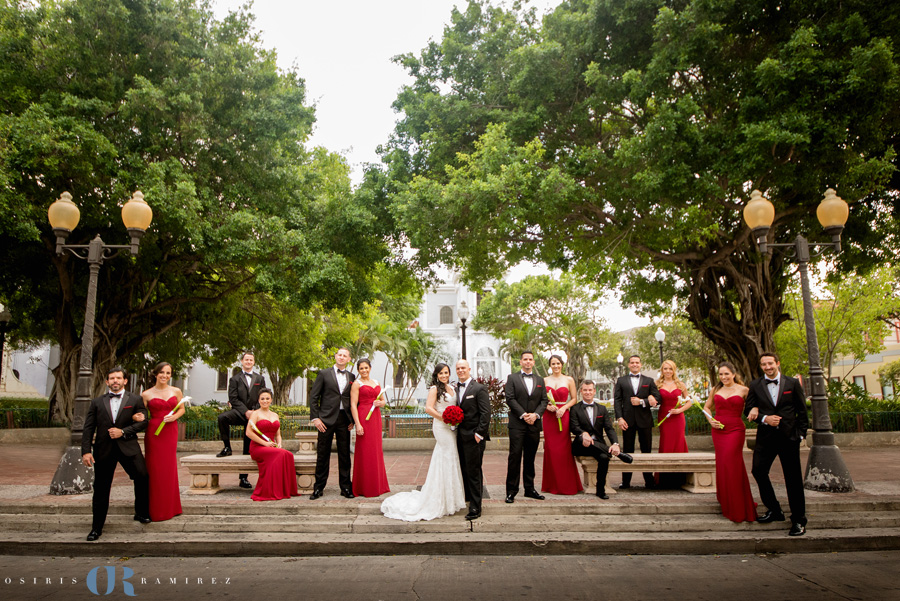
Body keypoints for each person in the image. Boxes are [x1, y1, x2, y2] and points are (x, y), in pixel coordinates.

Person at [381, 363, 466, 521]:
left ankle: (450, 498)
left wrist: (455, 419)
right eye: (440, 373)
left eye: (446, 372)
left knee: (450, 457)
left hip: (452, 428)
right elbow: (428, 408)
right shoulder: (434, 389)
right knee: (446, 455)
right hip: (441, 426)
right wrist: (445, 419)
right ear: (436, 375)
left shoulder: (452, 387)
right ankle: (440, 499)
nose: (444, 375)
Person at [81, 366, 150, 541]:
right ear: (107, 382)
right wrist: (86, 451)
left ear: (125, 381)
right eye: (112, 378)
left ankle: (141, 513)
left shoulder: (135, 399)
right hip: (104, 450)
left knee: (142, 476)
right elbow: (88, 428)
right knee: (101, 488)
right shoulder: (97, 402)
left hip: (128, 447)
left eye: (118, 378)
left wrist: (124, 431)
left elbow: (144, 422)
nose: (115, 381)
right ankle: (96, 528)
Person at [744, 352, 809, 536]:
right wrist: (764, 418)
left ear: (777, 363)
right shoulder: (755, 385)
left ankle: (798, 520)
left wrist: (801, 435)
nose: (768, 367)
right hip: (765, 438)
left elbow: (802, 411)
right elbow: (748, 409)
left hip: (789, 438)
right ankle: (774, 509)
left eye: (770, 363)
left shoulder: (792, 383)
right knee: (758, 470)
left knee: (793, 479)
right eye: (764, 364)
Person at [704, 362, 757, 523]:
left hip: (735, 430)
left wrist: (755, 409)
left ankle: (738, 504)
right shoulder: (715, 389)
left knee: (731, 463)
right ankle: (727, 500)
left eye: (726, 374)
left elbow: (756, 405)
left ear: (734, 374)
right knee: (723, 465)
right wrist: (710, 420)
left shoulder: (745, 390)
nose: (723, 377)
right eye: (721, 374)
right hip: (718, 430)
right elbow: (707, 407)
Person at [309, 347, 356, 499]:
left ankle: (346, 488)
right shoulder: (323, 374)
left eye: (345, 356)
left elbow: (354, 400)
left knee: (344, 455)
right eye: (339, 355)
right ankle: (318, 488)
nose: (342, 357)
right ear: (335, 356)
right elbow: (314, 397)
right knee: (323, 454)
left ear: (349, 359)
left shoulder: (352, 376)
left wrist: (353, 420)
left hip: (344, 420)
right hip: (325, 419)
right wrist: (316, 418)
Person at [216, 352, 267, 490]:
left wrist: (254, 412)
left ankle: (243, 478)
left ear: (254, 362)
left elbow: (263, 396)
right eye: (246, 359)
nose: (249, 362)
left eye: (251, 360)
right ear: (242, 361)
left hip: (255, 414)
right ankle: (227, 447)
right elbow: (233, 398)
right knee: (222, 418)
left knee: (247, 448)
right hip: (239, 412)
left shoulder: (260, 378)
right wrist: (246, 412)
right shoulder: (234, 379)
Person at [141, 362, 185, 522]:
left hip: (170, 430)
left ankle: (171, 507)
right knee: (155, 468)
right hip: (154, 432)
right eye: (162, 372)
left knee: (169, 467)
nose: (165, 376)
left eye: (168, 373)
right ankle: (155, 509)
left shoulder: (176, 391)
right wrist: (137, 417)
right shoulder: (146, 394)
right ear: (155, 374)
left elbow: (182, 409)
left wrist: (174, 417)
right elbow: (140, 414)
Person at [504, 351, 549, 503]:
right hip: (517, 424)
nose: (528, 362)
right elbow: (510, 399)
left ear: (533, 362)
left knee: (530, 458)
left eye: (530, 359)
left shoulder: (540, 380)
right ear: (521, 361)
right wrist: (524, 415)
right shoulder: (512, 378)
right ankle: (511, 491)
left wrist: (535, 415)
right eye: (525, 359)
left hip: (534, 424)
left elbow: (544, 400)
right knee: (514, 457)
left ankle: (529, 489)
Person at [613, 355, 660, 489]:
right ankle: (626, 481)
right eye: (632, 362)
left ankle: (649, 481)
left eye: (637, 363)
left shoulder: (649, 380)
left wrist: (641, 401)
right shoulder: (621, 380)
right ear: (628, 365)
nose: (634, 364)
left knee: (647, 451)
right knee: (627, 450)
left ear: (640, 364)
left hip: (645, 420)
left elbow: (658, 398)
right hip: (627, 421)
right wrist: (619, 418)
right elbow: (617, 400)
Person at [569, 380, 621, 499]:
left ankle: (600, 490)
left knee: (604, 458)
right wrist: (583, 433)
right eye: (585, 390)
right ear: (581, 391)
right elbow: (573, 427)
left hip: (597, 445)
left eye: (590, 390)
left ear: (594, 391)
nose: (588, 392)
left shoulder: (602, 409)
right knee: (602, 450)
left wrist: (615, 443)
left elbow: (609, 429)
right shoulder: (575, 408)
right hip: (581, 445)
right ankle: (612, 451)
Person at [246, 389, 298, 501]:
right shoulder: (255, 414)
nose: (265, 401)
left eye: (267, 398)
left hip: (272, 447)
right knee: (281, 454)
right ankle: (267, 490)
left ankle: (283, 489)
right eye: (262, 399)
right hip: (258, 447)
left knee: (288, 454)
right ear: (259, 400)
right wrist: (265, 443)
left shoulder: (275, 415)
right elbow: (248, 433)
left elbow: (278, 434)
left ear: (271, 400)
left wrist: (279, 443)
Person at [541, 354, 583, 495]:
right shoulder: (544, 380)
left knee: (564, 450)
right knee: (551, 449)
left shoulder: (569, 379)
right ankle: (551, 485)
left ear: (562, 364)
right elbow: (540, 399)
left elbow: (574, 398)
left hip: (563, 415)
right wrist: (547, 407)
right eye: (553, 364)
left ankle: (567, 484)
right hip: (549, 417)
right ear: (550, 365)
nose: (556, 366)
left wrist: (564, 408)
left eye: (558, 363)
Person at [455, 359, 491, 520]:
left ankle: (476, 507)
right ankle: (468, 498)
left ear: (469, 369)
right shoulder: (455, 389)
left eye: (463, 368)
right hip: (459, 436)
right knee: (463, 469)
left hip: (474, 437)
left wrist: (479, 434)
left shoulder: (479, 388)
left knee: (474, 471)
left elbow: (485, 413)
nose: (461, 370)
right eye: (458, 368)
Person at [349, 358, 390, 498]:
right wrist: (358, 424)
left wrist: (380, 403)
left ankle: (378, 485)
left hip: (376, 418)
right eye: (361, 368)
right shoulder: (356, 384)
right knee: (365, 451)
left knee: (376, 450)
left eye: (366, 368)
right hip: (363, 417)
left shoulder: (377, 382)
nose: (364, 370)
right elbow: (353, 405)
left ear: (370, 368)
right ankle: (364, 487)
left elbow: (384, 401)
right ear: (358, 370)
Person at [654, 359, 690, 488]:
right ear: (662, 370)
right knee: (666, 443)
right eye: (665, 368)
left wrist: (679, 410)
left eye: (670, 369)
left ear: (674, 370)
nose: (668, 371)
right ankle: (665, 479)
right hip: (664, 417)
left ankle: (679, 478)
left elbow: (689, 401)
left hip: (678, 418)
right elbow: (653, 399)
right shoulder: (657, 384)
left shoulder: (680, 384)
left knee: (679, 443)